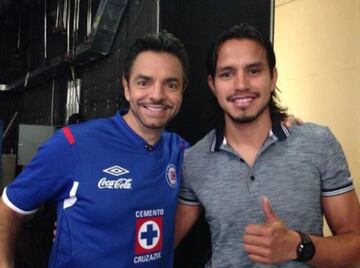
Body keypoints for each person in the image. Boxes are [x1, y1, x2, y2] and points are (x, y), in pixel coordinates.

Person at [175, 24, 360, 267]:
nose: (241, 84)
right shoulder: (194, 160)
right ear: (212, 84)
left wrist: (297, 245)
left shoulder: (318, 143)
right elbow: (161, 240)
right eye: (227, 74)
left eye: (253, 71)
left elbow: (355, 249)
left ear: (272, 78)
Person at [0, 30, 189, 268]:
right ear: (127, 87)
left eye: (171, 84)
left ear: (182, 90)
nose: (157, 95)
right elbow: (9, 209)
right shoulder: (72, 144)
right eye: (144, 82)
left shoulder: (182, 152)